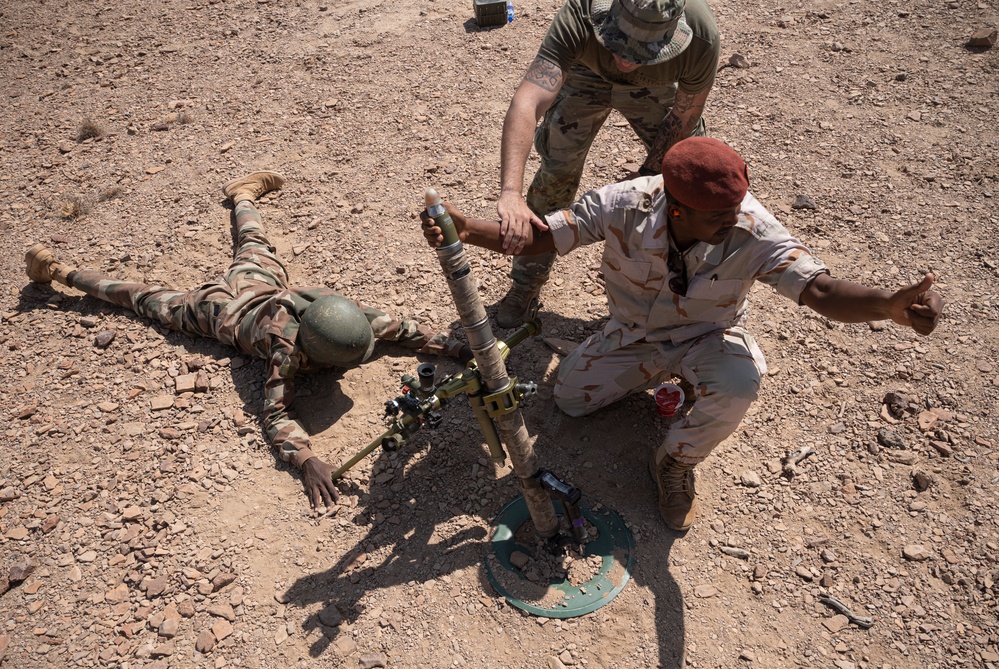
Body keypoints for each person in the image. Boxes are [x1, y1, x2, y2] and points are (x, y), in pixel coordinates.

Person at [423, 137, 943, 531]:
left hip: (709, 335)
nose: (732, 219)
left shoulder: (753, 229)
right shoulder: (622, 204)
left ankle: (674, 462)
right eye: (717, 215)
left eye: (736, 208)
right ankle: (660, 378)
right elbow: (542, 239)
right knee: (569, 399)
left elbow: (823, 292)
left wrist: (887, 306)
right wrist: (465, 230)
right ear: (675, 206)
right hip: (636, 333)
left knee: (740, 382)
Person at [25, 171, 470, 513]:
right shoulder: (286, 350)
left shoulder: (346, 315)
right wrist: (306, 459)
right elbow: (275, 412)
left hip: (261, 283)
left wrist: (454, 347)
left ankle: (241, 194)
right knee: (141, 299)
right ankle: (59, 272)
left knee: (254, 242)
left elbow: (403, 329)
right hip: (220, 312)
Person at [494, 0, 721, 328]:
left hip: (656, 84)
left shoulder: (701, 37)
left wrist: (648, 174)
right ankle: (525, 285)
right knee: (555, 176)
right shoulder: (581, 12)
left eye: (640, 50)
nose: (626, 60)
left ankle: (683, 297)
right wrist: (510, 190)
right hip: (586, 73)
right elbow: (528, 101)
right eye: (618, 42)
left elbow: (685, 115)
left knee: (687, 179)